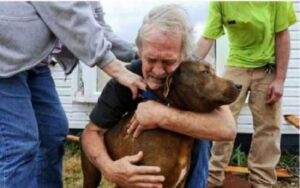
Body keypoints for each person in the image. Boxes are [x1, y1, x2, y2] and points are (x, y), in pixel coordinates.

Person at [81, 4, 237, 188]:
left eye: (168, 61)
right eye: (150, 59)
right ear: (140, 52)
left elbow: (227, 128)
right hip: (138, 151)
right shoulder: (126, 79)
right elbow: (91, 132)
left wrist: (160, 116)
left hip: (182, 154)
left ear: (183, 57)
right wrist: (111, 169)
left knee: (201, 132)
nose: (157, 70)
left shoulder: (193, 72)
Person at [0, 2, 146, 188]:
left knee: (52, 132)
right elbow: (65, 10)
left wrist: (140, 53)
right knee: (18, 143)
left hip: (34, 63)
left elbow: (96, 27)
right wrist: (115, 68)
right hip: (5, 56)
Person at [194, 2, 297, 188]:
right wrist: (187, 65)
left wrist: (280, 80)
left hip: (267, 66)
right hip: (236, 64)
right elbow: (207, 38)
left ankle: (262, 181)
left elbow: (283, 36)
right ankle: (212, 177)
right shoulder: (220, 2)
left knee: (268, 126)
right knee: (221, 118)